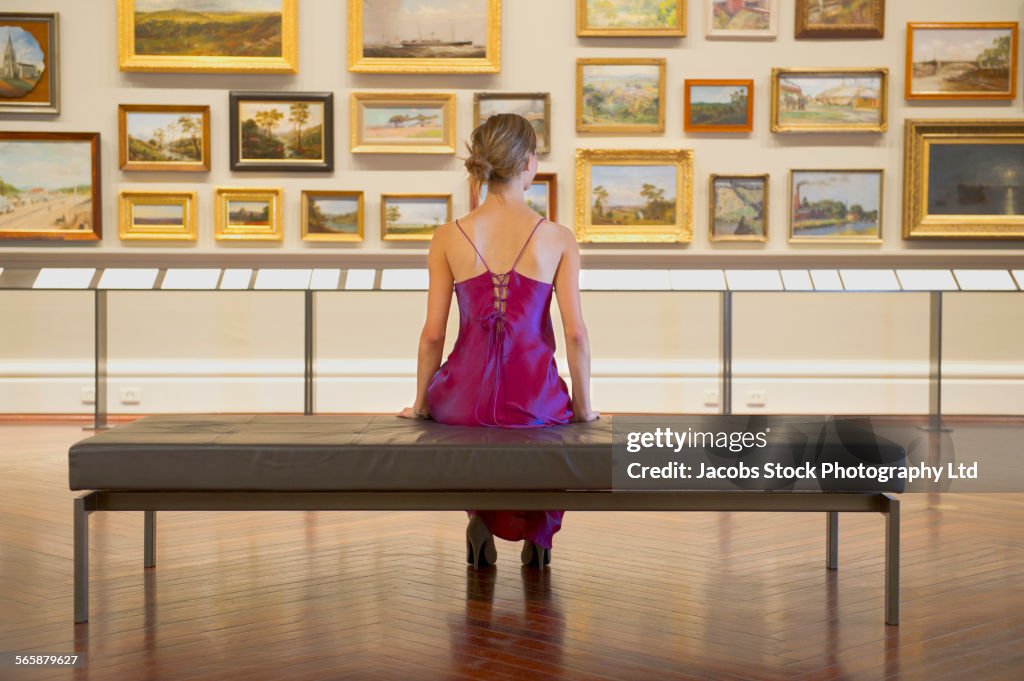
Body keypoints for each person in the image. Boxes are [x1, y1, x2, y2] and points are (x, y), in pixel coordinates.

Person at [399, 113, 599, 570]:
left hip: (462, 400)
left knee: (474, 429)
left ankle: (480, 521)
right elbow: (575, 333)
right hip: (534, 400)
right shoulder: (557, 238)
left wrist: (421, 403)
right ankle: (541, 535)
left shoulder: (447, 236)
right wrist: (585, 407)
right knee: (555, 425)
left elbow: (433, 334)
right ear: (529, 163)